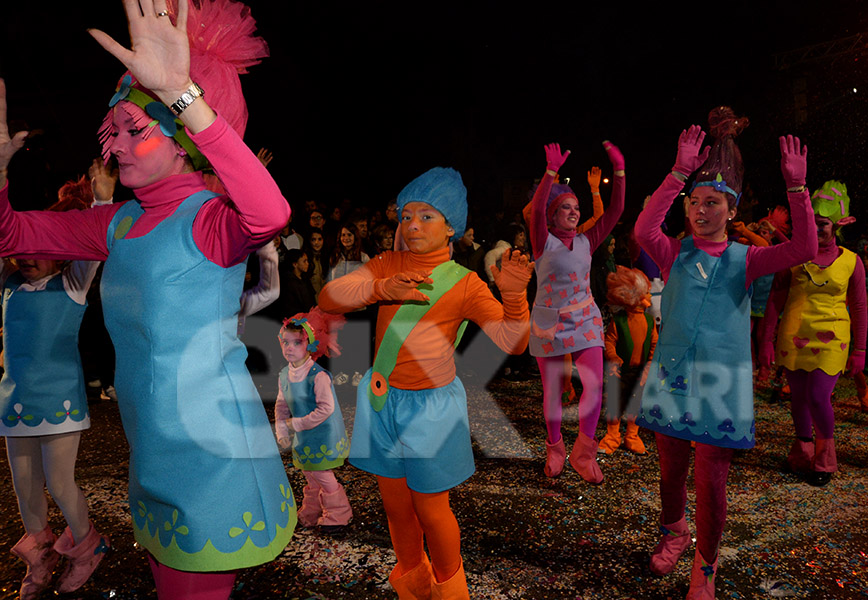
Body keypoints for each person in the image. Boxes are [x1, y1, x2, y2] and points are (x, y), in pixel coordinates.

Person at [0, 0, 295, 596]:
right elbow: (12, 234)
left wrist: (184, 94)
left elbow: (271, 213)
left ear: (186, 140)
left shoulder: (209, 218)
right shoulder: (115, 223)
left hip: (212, 459)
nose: (122, 147)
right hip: (153, 456)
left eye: (139, 131)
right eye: (117, 131)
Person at [318, 167, 531, 598]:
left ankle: (451, 591)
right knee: (396, 509)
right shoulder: (387, 263)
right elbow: (330, 297)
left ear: (451, 226)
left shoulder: (466, 283)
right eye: (407, 215)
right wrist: (380, 287)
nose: (412, 225)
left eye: (427, 216)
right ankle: (413, 582)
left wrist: (514, 298)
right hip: (382, 401)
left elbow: (514, 341)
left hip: (431, 408)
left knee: (432, 510)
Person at [634, 111, 815, 599]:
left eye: (711, 202)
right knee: (670, 472)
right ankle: (675, 532)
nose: (700, 210)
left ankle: (705, 568)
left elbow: (804, 245)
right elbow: (642, 229)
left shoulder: (747, 258)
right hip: (672, 378)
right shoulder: (674, 252)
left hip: (721, 386)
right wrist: (677, 174)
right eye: (694, 202)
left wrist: (797, 189)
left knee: (711, 485)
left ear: (731, 210)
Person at [1, 177, 110, 599]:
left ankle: (87, 546)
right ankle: (42, 554)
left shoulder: (72, 283)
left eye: (41, 249)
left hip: (60, 402)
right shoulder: (9, 284)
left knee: (61, 483)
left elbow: (94, 240)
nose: (27, 256)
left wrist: (102, 198)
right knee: (25, 487)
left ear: (62, 255)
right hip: (15, 401)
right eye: (22, 247)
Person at [528, 142, 625, 483]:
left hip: (585, 320)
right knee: (554, 392)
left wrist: (619, 170)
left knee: (595, 386)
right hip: (549, 323)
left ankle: (584, 452)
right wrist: (550, 172)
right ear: (552, 215)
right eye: (565, 208)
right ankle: (555, 448)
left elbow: (615, 211)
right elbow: (538, 205)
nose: (573, 212)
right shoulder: (542, 241)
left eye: (576, 207)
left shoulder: (586, 240)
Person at [760, 180, 866, 486]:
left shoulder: (851, 261)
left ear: (836, 226)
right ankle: (802, 449)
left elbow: (859, 307)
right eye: (811, 224)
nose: (816, 230)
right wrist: (766, 340)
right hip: (794, 333)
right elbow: (775, 299)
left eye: (822, 225)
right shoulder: (792, 256)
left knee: (819, 396)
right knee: (799, 398)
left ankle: (825, 458)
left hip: (832, 336)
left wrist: (859, 350)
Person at [274, 309, 352, 531]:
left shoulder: (318, 376)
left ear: (309, 345)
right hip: (304, 435)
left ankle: (339, 515)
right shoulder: (283, 375)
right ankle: (312, 511)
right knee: (309, 473)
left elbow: (326, 409)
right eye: (285, 342)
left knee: (322, 474)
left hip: (323, 434)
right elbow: (281, 404)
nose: (289, 348)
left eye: (296, 343)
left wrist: (295, 424)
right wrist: (281, 431)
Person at [599, 266, 656, 455]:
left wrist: (649, 364)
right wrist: (613, 357)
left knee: (636, 404)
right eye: (646, 292)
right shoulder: (620, 320)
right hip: (621, 372)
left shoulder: (649, 322)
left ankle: (632, 436)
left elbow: (655, 344)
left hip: (641, 371)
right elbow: (610, 340)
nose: (649, 296)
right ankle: (612, 436)